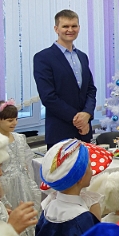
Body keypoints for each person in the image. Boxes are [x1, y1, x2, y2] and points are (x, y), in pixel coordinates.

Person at [31, 139, 111, 236]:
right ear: (80, 177)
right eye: (89, 166)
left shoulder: (48, 209)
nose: (92, 171)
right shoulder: (82, 219)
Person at [33, 10, 97, 148]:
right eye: (65, 26)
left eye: (74, 26)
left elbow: (91, 90)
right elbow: (48, 97)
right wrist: (79, 120)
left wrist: (87, 114)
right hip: (60, 134)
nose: (70, 30)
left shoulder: (82, 57)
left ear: (79, 28)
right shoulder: (43, 58)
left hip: (84, 133)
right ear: (56, 29)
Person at [0, 100, 42, 236]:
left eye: (15, 119)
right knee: (8, 228)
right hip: (6, 188)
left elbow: (27, 162)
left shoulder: (20, 138)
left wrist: (31, 184)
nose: (14, 123)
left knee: (20, 229)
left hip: (23, 186)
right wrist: (1, 197)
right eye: (9, 120)